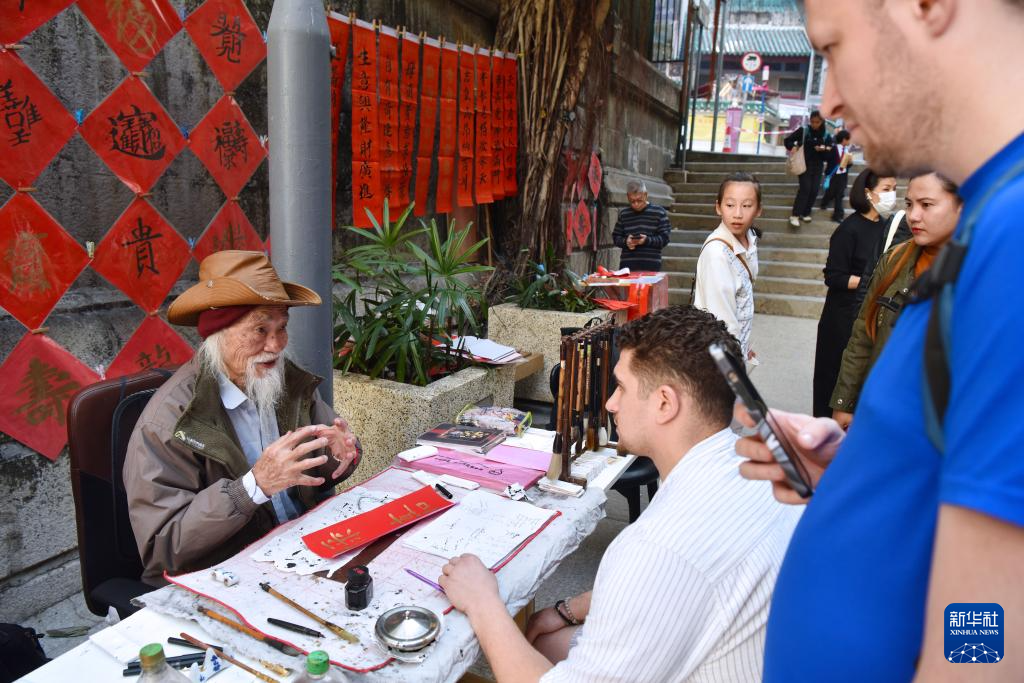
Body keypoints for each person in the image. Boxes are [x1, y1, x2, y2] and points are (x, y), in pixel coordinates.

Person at [735, 1, 1024, 680]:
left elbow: (986, 629)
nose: (828, 101)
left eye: (833, 48)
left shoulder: (1012, 237)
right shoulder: (992, 218)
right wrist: (867, 467)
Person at [439, 305, 802, 682]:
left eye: (622, 388)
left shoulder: (655, 548)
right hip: (754, 655)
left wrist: (483, 604)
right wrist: (570, 608)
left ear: (665, 403)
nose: (611, 403)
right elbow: (666, 589)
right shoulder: (765, 470)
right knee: (545, 642)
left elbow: (663, 571)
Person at [124, 251, 361, 584]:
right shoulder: (168, 421)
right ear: (218, 334)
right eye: (260, 329)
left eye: (281, 328)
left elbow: (323, 465)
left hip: (299, 549)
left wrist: (339, 454)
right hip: (227, 571)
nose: (276, 345)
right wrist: (252, 488)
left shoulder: (286, 380)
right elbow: (163, 544)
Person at [831, 172, 962, 429]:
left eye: (926, 205)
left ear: (962, 205)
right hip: (883, 408)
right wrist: (844, 403)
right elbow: (863, 336)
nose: (913, 216)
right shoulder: (895, 259)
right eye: (909, 204)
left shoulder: (983, 271)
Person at [810, 168, 896, 417]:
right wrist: (869, 282)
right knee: (834, 377)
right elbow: (833, 276)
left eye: (894, 189)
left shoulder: (887, 227)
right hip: (842, 316)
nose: (892, 195)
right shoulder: (849, 229)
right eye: (886, 189)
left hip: (870, 311)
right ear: (868, 193)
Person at [693, 172, 761, 359]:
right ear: (718, 207)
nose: (737, 214)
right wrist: (733, 364)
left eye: (746, 206)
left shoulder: (750, 239)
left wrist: (744, 346)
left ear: (758, 210)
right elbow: (721, 323)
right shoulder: (717, 254)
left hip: (734, 350)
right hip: (720, 358)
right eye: (730, 205)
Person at [784, 111, 833, 227]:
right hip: (804, 164)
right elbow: (787, 140)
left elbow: (829, 153)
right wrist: (793, 147)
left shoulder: (826, 135)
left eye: (817, 122)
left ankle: (805, 213)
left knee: (814, 190)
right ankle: (795, 215)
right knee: (805, 188)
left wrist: (824, 150)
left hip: (818, 166)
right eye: (812, 122)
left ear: (822, 122)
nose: (814, 124)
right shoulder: (804, 130)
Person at [611, 180, 672, 272]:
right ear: (628, 197)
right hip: (627, 267)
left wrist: (647, 240)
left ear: (645, 195)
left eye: (639, 200)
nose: (636, 204)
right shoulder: (624, 214)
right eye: (632, 201)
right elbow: (616, 237)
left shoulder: (659, 212)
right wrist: (626, 241)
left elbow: (665, 238)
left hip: (651, 266)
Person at [819, 130, 853, 222]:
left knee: (839, 195)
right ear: (844, 140)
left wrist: (850, 162)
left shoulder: (846, 150)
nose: (849, 141)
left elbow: (848, 165)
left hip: (843, 175)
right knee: (830, 192)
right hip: (833, 174)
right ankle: (824, 203)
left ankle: (838, 215)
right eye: (848, 139)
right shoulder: (833, 148)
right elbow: (827, 158)